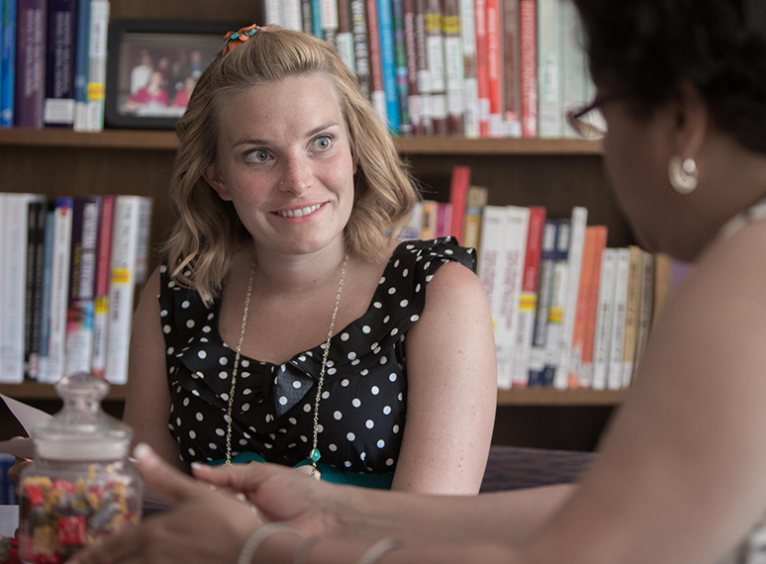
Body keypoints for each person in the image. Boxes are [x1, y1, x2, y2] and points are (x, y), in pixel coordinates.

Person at [70, 0, 766, 563]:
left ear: (683, 121)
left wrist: (255, 549)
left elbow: (584, 554)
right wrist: (345, 507)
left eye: (601, 109)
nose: (603, 144)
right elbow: (613, 512)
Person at [10, 26, 497, 495]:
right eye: (259, 155)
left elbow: (428, 534)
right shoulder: (177, 292)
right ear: (217, 177)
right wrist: (83, 484)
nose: (298, 180)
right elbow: (151, 500)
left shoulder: (435, 291)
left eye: (321, 143)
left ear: (354, 151)